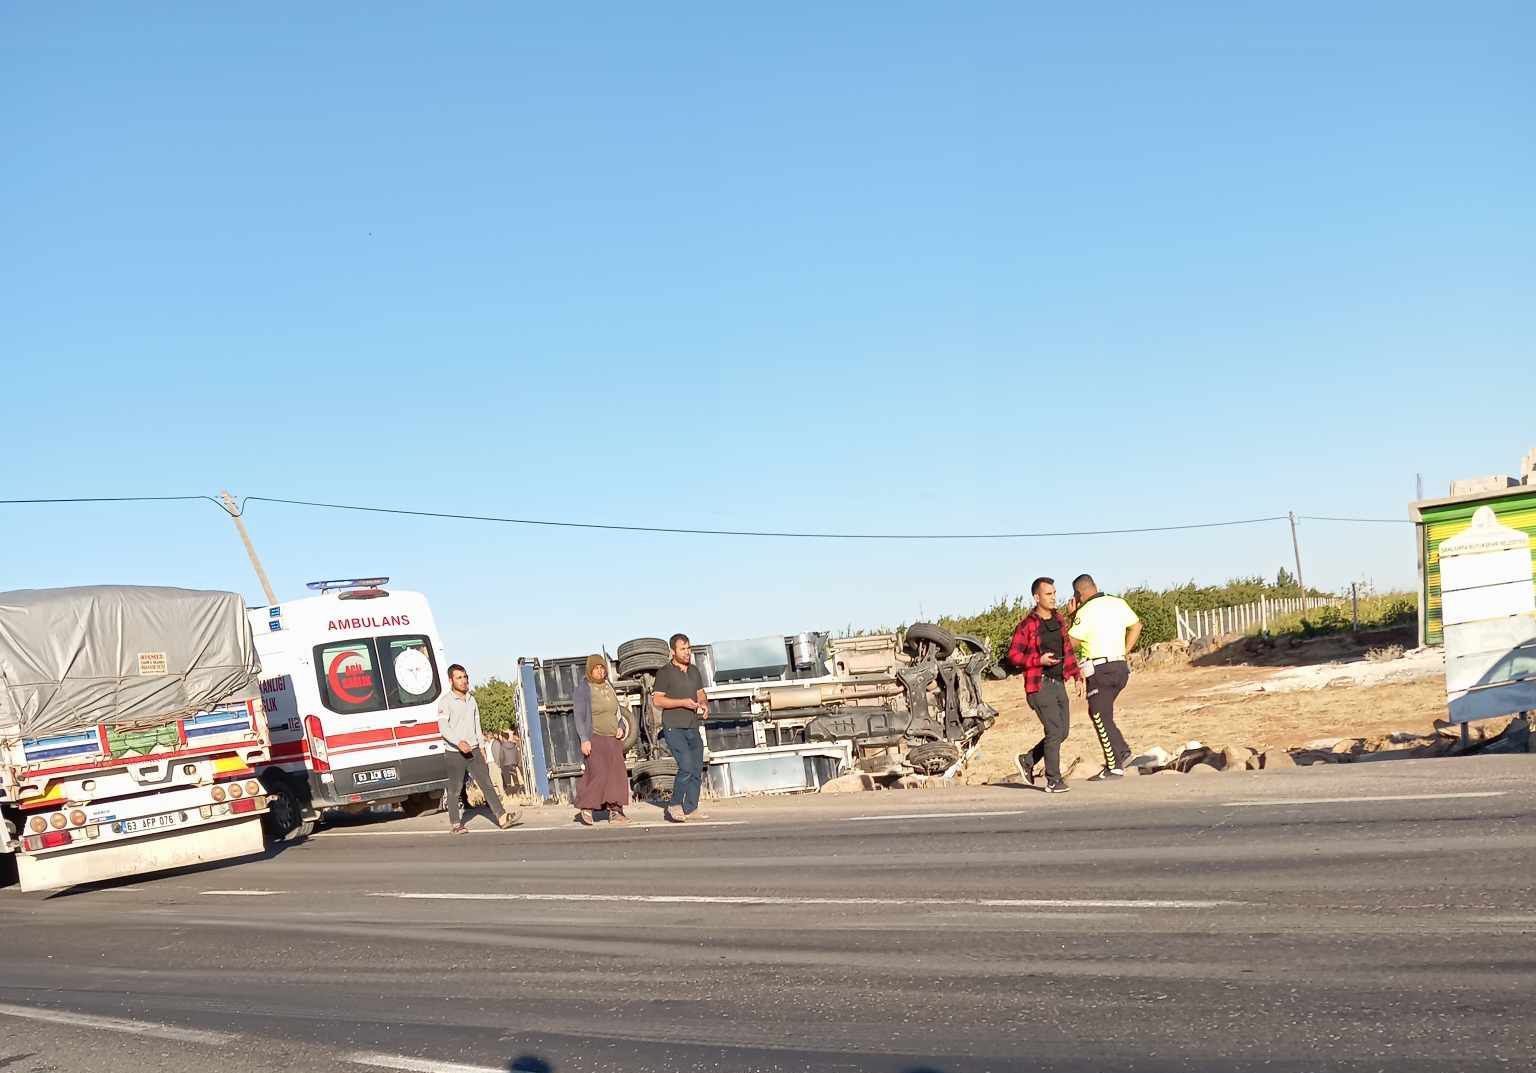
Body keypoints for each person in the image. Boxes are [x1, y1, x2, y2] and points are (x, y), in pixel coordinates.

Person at [1065, 574, 1142, 781]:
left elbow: (1071, 643)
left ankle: (1114, 765)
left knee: (1098, 714)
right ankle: (1123, 753)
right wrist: (1125, 650)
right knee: (1103, 713)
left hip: (1100, 669)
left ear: (1078, 595)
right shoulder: (1118, 602)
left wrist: (1072, 617)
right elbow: (1136, 626)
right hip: (1120, 666)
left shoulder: (1086, 611)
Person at [1007, 577, 1080, 794]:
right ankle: (1053, 780)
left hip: (1058, 682)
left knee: (1062, 731)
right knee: (1054, 730)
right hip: (1039, 685)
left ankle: (1028, 760)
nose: (1054, 597)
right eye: (1049, 594)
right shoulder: (1028, 625)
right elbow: (1014, 655)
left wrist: (1076, 675)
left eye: (1055, 593)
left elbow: (1067, 649)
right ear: (1037, 597)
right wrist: (1038, 661)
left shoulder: (1058, 620)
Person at [436, 663, 521, 833]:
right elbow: (443, 727)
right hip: (455, 752)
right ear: (451, 680)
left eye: (465, 677)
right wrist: (458, 742)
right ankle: (456, 823)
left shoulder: (471, 700)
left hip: (474, 750)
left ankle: (502, 817)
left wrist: (481, 746)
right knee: (455, 788)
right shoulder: (445, 702)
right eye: (459, 678)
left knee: (487, 784)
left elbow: (477, 725)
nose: (463, 681)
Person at [651, 633, 708, 824]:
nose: (687, 652)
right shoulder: (664, 672)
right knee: (685, 766)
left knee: (696, 767)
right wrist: (682, 702)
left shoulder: (694, 671)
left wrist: (704, 704)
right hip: (674, 727)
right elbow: (657, 700)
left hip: (693, 726)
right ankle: (675, 804)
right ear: (672, 651)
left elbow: (701, 693)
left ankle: (691, 807)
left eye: (689, 648)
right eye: (682, 649)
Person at [572, 654, 631, 826]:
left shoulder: (608, 686)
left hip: (613, 738)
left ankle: (615, 811)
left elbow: (617, 711)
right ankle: (587, 807)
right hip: (595, 737)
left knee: (616, 775)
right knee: (600, 773)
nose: (600, 671)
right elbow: (579, 716)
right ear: (590, 670)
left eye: (602, 667)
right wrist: (584, 739)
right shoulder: (583, 689)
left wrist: (621, 726)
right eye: (596, 668)